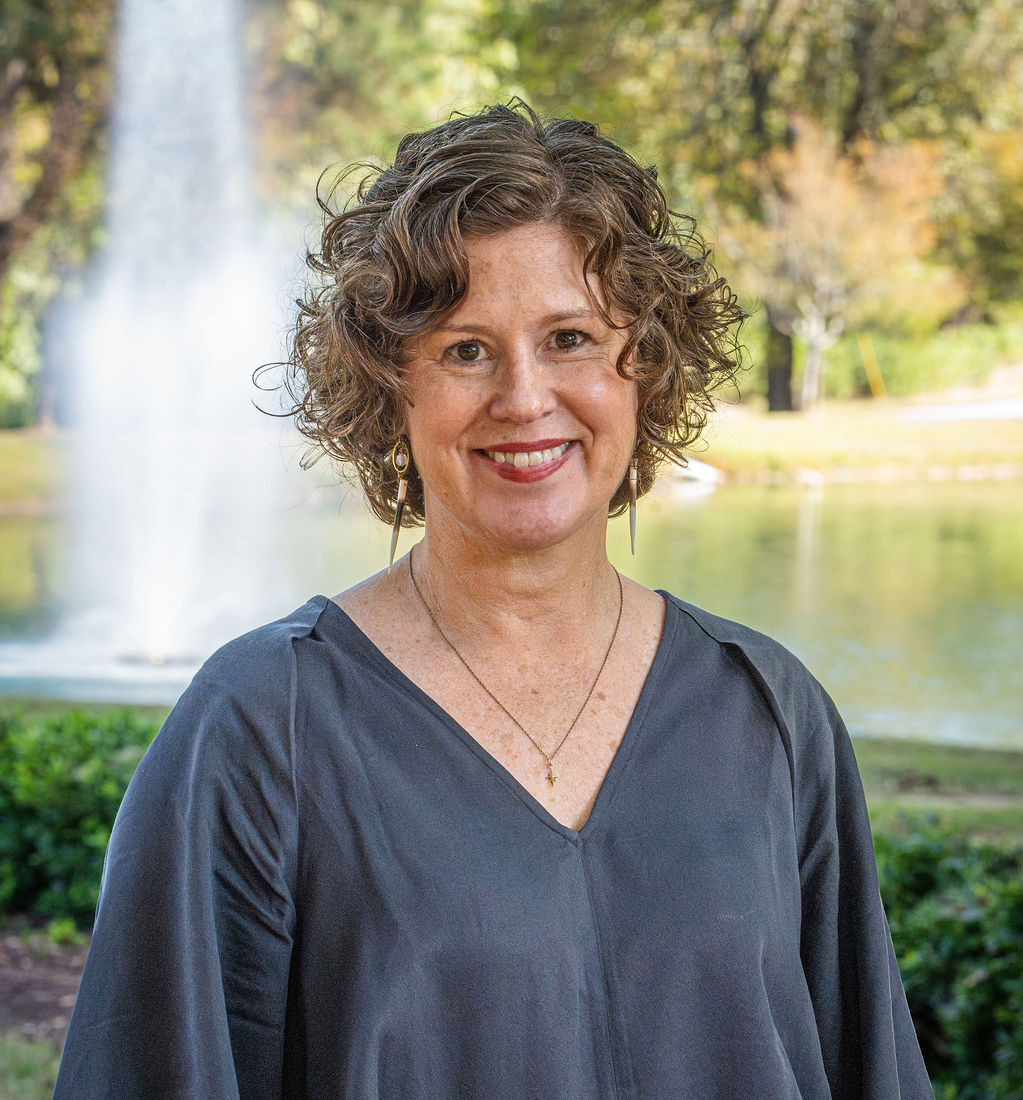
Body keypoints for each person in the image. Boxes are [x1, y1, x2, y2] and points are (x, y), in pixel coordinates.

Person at [55, 100, 934, 1099]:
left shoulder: (768, 712)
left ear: (643, 365)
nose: (523, 397)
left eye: (569, 337)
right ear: (393, 385)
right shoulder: (263, 729)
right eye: (466, 348)